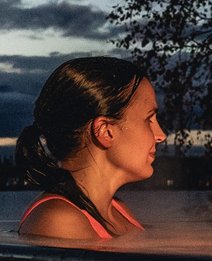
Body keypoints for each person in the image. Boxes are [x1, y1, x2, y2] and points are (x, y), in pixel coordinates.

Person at [17, 57, 165, 240]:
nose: (161, 135)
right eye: (148, 120)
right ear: (105, 131)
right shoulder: (59, 221)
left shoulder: (118, 210)